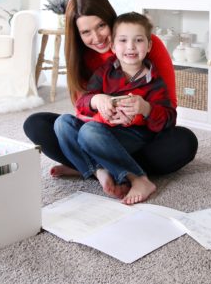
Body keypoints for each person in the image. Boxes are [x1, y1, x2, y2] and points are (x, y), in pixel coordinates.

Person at [23, 0, 197, 180]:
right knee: (39, 124)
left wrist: (138, 114)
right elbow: (82, 110)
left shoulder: (142, 44)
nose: (96, 38)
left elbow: (168, 109)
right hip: (97, 132)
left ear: (110, 19)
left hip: (138, 136)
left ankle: (87, 165)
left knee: (184, 141)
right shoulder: (83, 58)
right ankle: (104, 168)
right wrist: (102, 105)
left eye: (101, 26)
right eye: (86, 32)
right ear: (77, 34)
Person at [55, 12, 174, 204]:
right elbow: (82, 103)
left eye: (138, 40)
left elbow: (169, 119)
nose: (130, 47)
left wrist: (145, 109)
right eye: (123, 40)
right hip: (101, 130)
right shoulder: (105, 72)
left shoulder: (154, 81)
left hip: (132, 135)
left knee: (89, 132)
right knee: (62, 123)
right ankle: (99, 171)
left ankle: (138, 179)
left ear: (149, 45)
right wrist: (97, 99)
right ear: (113, 45)